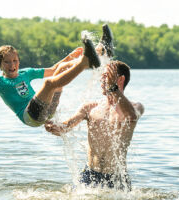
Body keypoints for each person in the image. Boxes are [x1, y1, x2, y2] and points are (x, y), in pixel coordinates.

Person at [0, 36, 101, 127]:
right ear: (0, 64)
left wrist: (69, 57)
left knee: (60, 69)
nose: (12, 65)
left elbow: (54, 68)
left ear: (18, 61)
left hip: (48, 111)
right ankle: (85, 63)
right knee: (49, 84)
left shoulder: (26, 73)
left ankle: (99, 52)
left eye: (15, 61)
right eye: (7, 62)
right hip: (30, 116)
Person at [45, 60, 144, 191]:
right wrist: (53, 126)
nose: (102, 79)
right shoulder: (90, 107)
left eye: (106, 75)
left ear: (121, 79)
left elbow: (131, 116)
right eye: (102, 76)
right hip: (90, 175)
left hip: (117, 177)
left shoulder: (135, 107)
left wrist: (113, 88)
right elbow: (65, 127)